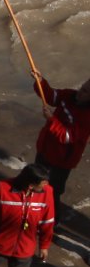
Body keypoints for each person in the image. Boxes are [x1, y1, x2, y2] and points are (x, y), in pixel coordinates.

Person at [31, 69, 90, 214]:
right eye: (82, 87)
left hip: (61, 161)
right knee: (34, 182)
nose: (80, 92)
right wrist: (40, 81)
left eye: (86, 91)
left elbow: (67, 136)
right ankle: (33, 212)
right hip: (45, 149)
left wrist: (51, 120)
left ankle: (53, 221)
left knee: (52, 191)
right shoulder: (69, 95)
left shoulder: (88, 118)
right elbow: (51, 96)